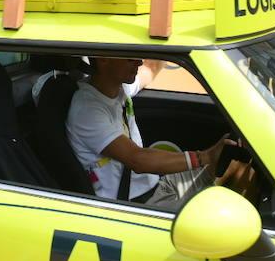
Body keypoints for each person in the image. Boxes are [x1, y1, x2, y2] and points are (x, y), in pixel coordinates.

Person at [66, 56, 230, 209]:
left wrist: (166, 46)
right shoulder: (87, 109)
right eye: (131, 58)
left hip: (158, 186)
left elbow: (150, 69)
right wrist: (205, 157)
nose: (138, 62)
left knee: (235, 165)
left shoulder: (118, 86)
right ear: (103, 59)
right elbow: (138, 159)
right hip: (138, 204)